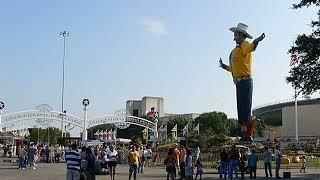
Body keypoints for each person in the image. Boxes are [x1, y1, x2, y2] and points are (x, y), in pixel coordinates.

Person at [219, 23, 265, 141]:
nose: (234, 36)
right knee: (241, 109)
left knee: (245, 107)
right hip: (239, 82)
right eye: (234, 34)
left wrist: (256, 41)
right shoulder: (236, 50)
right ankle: (244, 133)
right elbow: (234, 69)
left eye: (236, 34)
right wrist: (224, 66)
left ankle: (248, 134)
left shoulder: (245, 44)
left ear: (241, 35)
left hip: (246, 81)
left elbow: (250, 49)